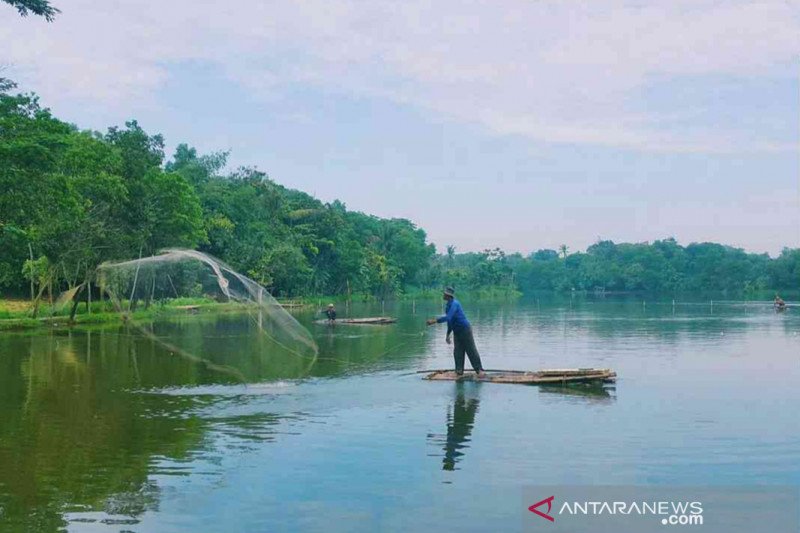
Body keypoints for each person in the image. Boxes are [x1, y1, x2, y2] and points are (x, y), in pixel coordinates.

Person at [427, 287, 485, 378]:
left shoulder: (455, 304)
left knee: (471, 350)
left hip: (465, 329)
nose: (443, 295)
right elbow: (450, 321)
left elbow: (448, 317)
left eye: (444, 294)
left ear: (448, 296)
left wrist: (435, 321)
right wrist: (447, 334)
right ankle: (459, 371)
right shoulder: (448, 306)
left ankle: (479, 370)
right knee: (457, 351)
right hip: (456, 331)